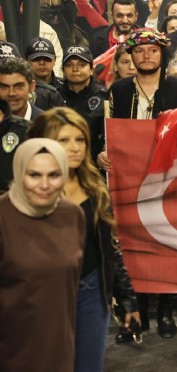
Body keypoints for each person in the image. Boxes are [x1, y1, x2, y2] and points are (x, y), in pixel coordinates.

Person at [29, 108, 140, 370]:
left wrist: (127, 298)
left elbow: (110, 246)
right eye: (64, 140)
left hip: (91, 292)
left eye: (80, 140)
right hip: (40, 296)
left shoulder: (95, 187)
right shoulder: (25, 191)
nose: (75, 147)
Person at [103, 29, 177, 339]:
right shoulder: (117, 91)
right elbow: (107, 133)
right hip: (129, 181)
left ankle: (167, 312)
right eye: (140, 51)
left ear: (162, 55)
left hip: (170, 179)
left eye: (153, 50)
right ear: (130, 56)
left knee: (167, 244)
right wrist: (103, 153)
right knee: (133, 246)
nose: (146, 55)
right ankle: (138, 314)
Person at [0, 138, 84, 371]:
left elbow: (71, 284)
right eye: (34, 175)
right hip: (10, 354)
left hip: (59, 349)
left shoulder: (73, 215)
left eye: (54, 175)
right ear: (19, 172)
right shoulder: (3, 216)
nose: (44, 184)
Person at [60, 46, 107, 161]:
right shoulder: (54, 96)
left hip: (95, 165)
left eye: (82, 65)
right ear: (63, 70)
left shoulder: (105, 96)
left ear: (91, 69)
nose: (75, 69)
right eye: (69, 65)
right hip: (62, 162)